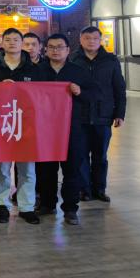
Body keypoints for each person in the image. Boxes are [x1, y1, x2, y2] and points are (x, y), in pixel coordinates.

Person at [0, 27, 44, 225]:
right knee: (1, 167)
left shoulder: (34, 68)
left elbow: (42, 94)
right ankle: (3, 206)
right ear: (2, 43)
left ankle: (27, 207)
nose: (12, 43)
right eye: (7, 39)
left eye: (16, 39)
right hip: (0, 123)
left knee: (27, 168)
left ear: (21, 43)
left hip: (26, 124)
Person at [37, 34, 95, 225]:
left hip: (73, 128)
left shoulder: (78, 71)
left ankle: (70, 208)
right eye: (51, 47)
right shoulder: (38, 71)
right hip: (44, 128)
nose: (55, 50)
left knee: (72, 169)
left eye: (60, 47)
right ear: (45, 49)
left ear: (68, 50)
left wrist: (80, 92)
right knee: (46, 169)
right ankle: (47, 204)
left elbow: (95, 94)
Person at [70, 25, 126, 202]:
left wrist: (120, 113)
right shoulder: (73, 60)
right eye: (87, 38)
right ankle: (85, 190)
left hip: (103, 115)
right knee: (81, 155)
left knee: (100, 155)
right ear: (80, 40)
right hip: (79, 115)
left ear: (100, 40)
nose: (91, 41)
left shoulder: (110, 60)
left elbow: (119, 88)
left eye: (95, 38)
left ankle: (99, 189)